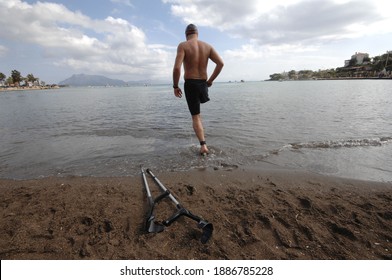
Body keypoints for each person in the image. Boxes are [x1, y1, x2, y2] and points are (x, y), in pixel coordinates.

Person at [172, 24, 224, 155]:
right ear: (197, 33)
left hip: (191, 84)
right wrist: (210, 80)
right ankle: (205, 140)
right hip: (203, 84)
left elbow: (177, 68)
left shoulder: (183, 45)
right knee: (199, 115)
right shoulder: (207, 46)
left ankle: (203, 145)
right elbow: (220, 63)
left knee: (195, 116)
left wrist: (175, 86)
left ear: (186, 34)